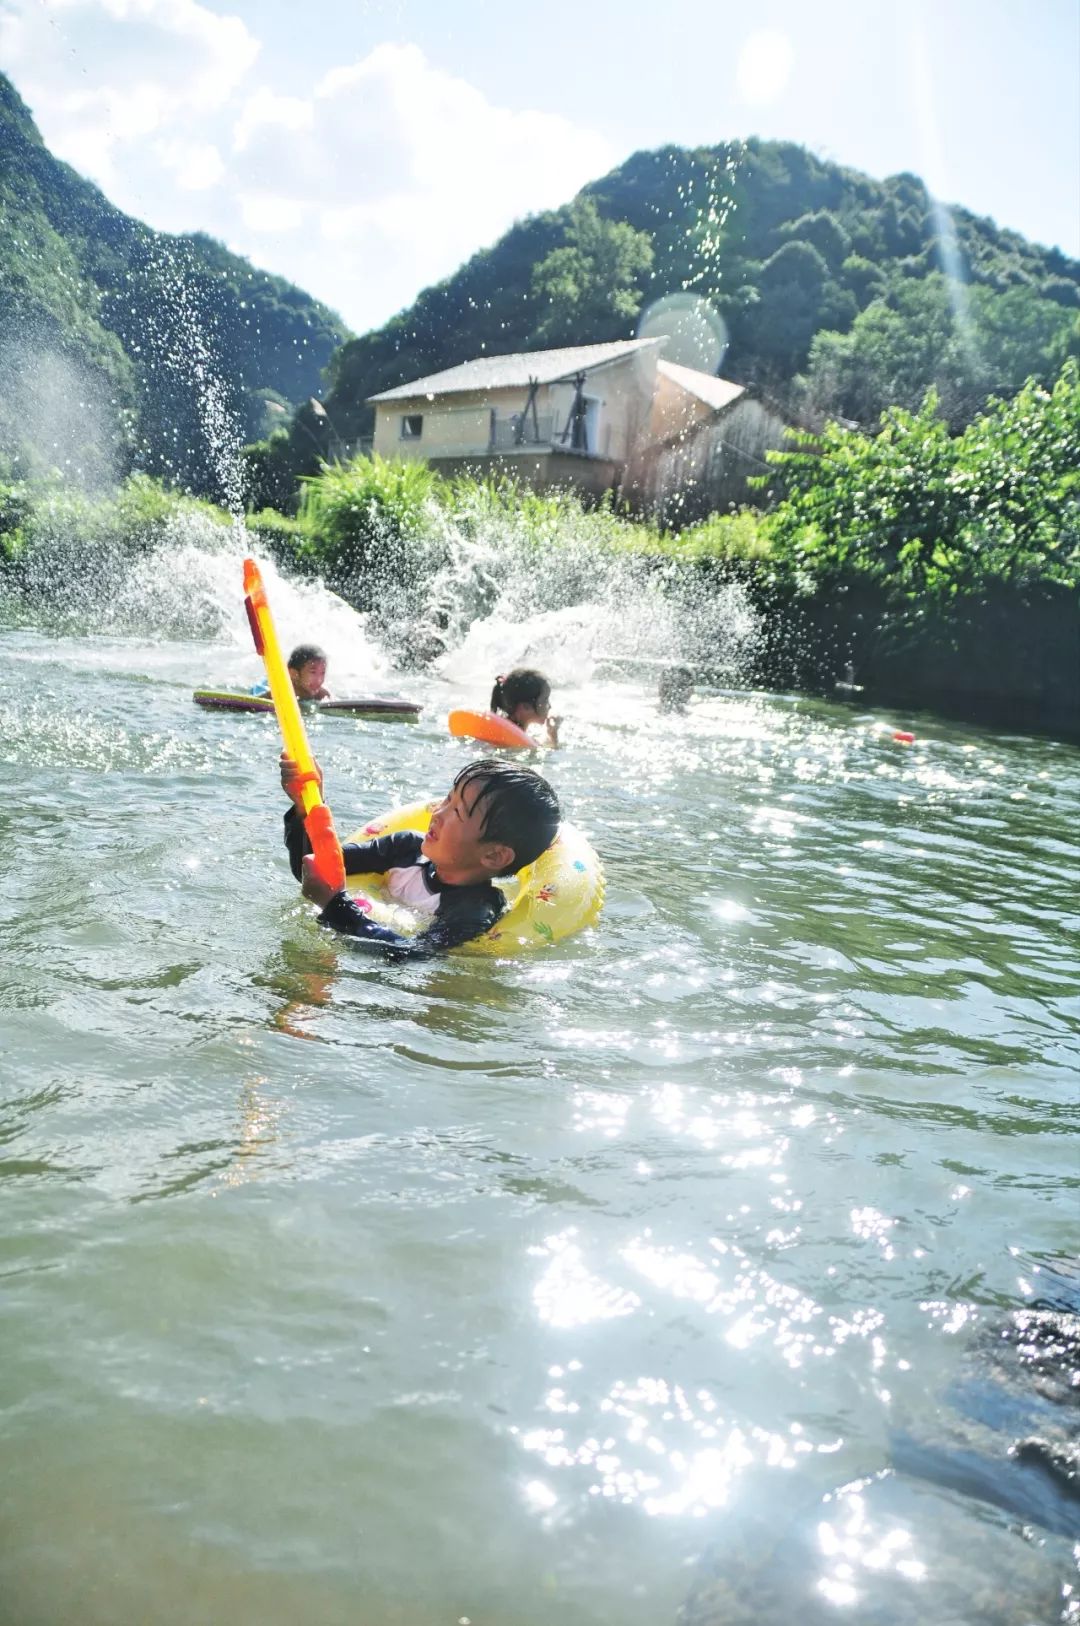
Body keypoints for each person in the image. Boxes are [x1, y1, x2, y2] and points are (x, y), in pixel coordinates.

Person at [280, 754, 560, 960]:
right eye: (447, 799)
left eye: (457, 811)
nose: (438, 813)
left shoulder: (474, 911)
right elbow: (314, 866)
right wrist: (306, 807)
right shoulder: (405, 847)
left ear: (494, 855)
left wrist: (335, 905)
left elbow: (413, 954)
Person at [490, 668, 560, 747]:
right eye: (545, 700)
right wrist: (554, 739)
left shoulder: (502, 730)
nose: (549, 706)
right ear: (525, 706)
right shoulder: (512, 742)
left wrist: (552, 733)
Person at [252, 644, 331, 702]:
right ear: (294, 674)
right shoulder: (279, 694)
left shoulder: (321, 695)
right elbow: (254, 703)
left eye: (322, 673)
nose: (319, 680)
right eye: (313, 672)